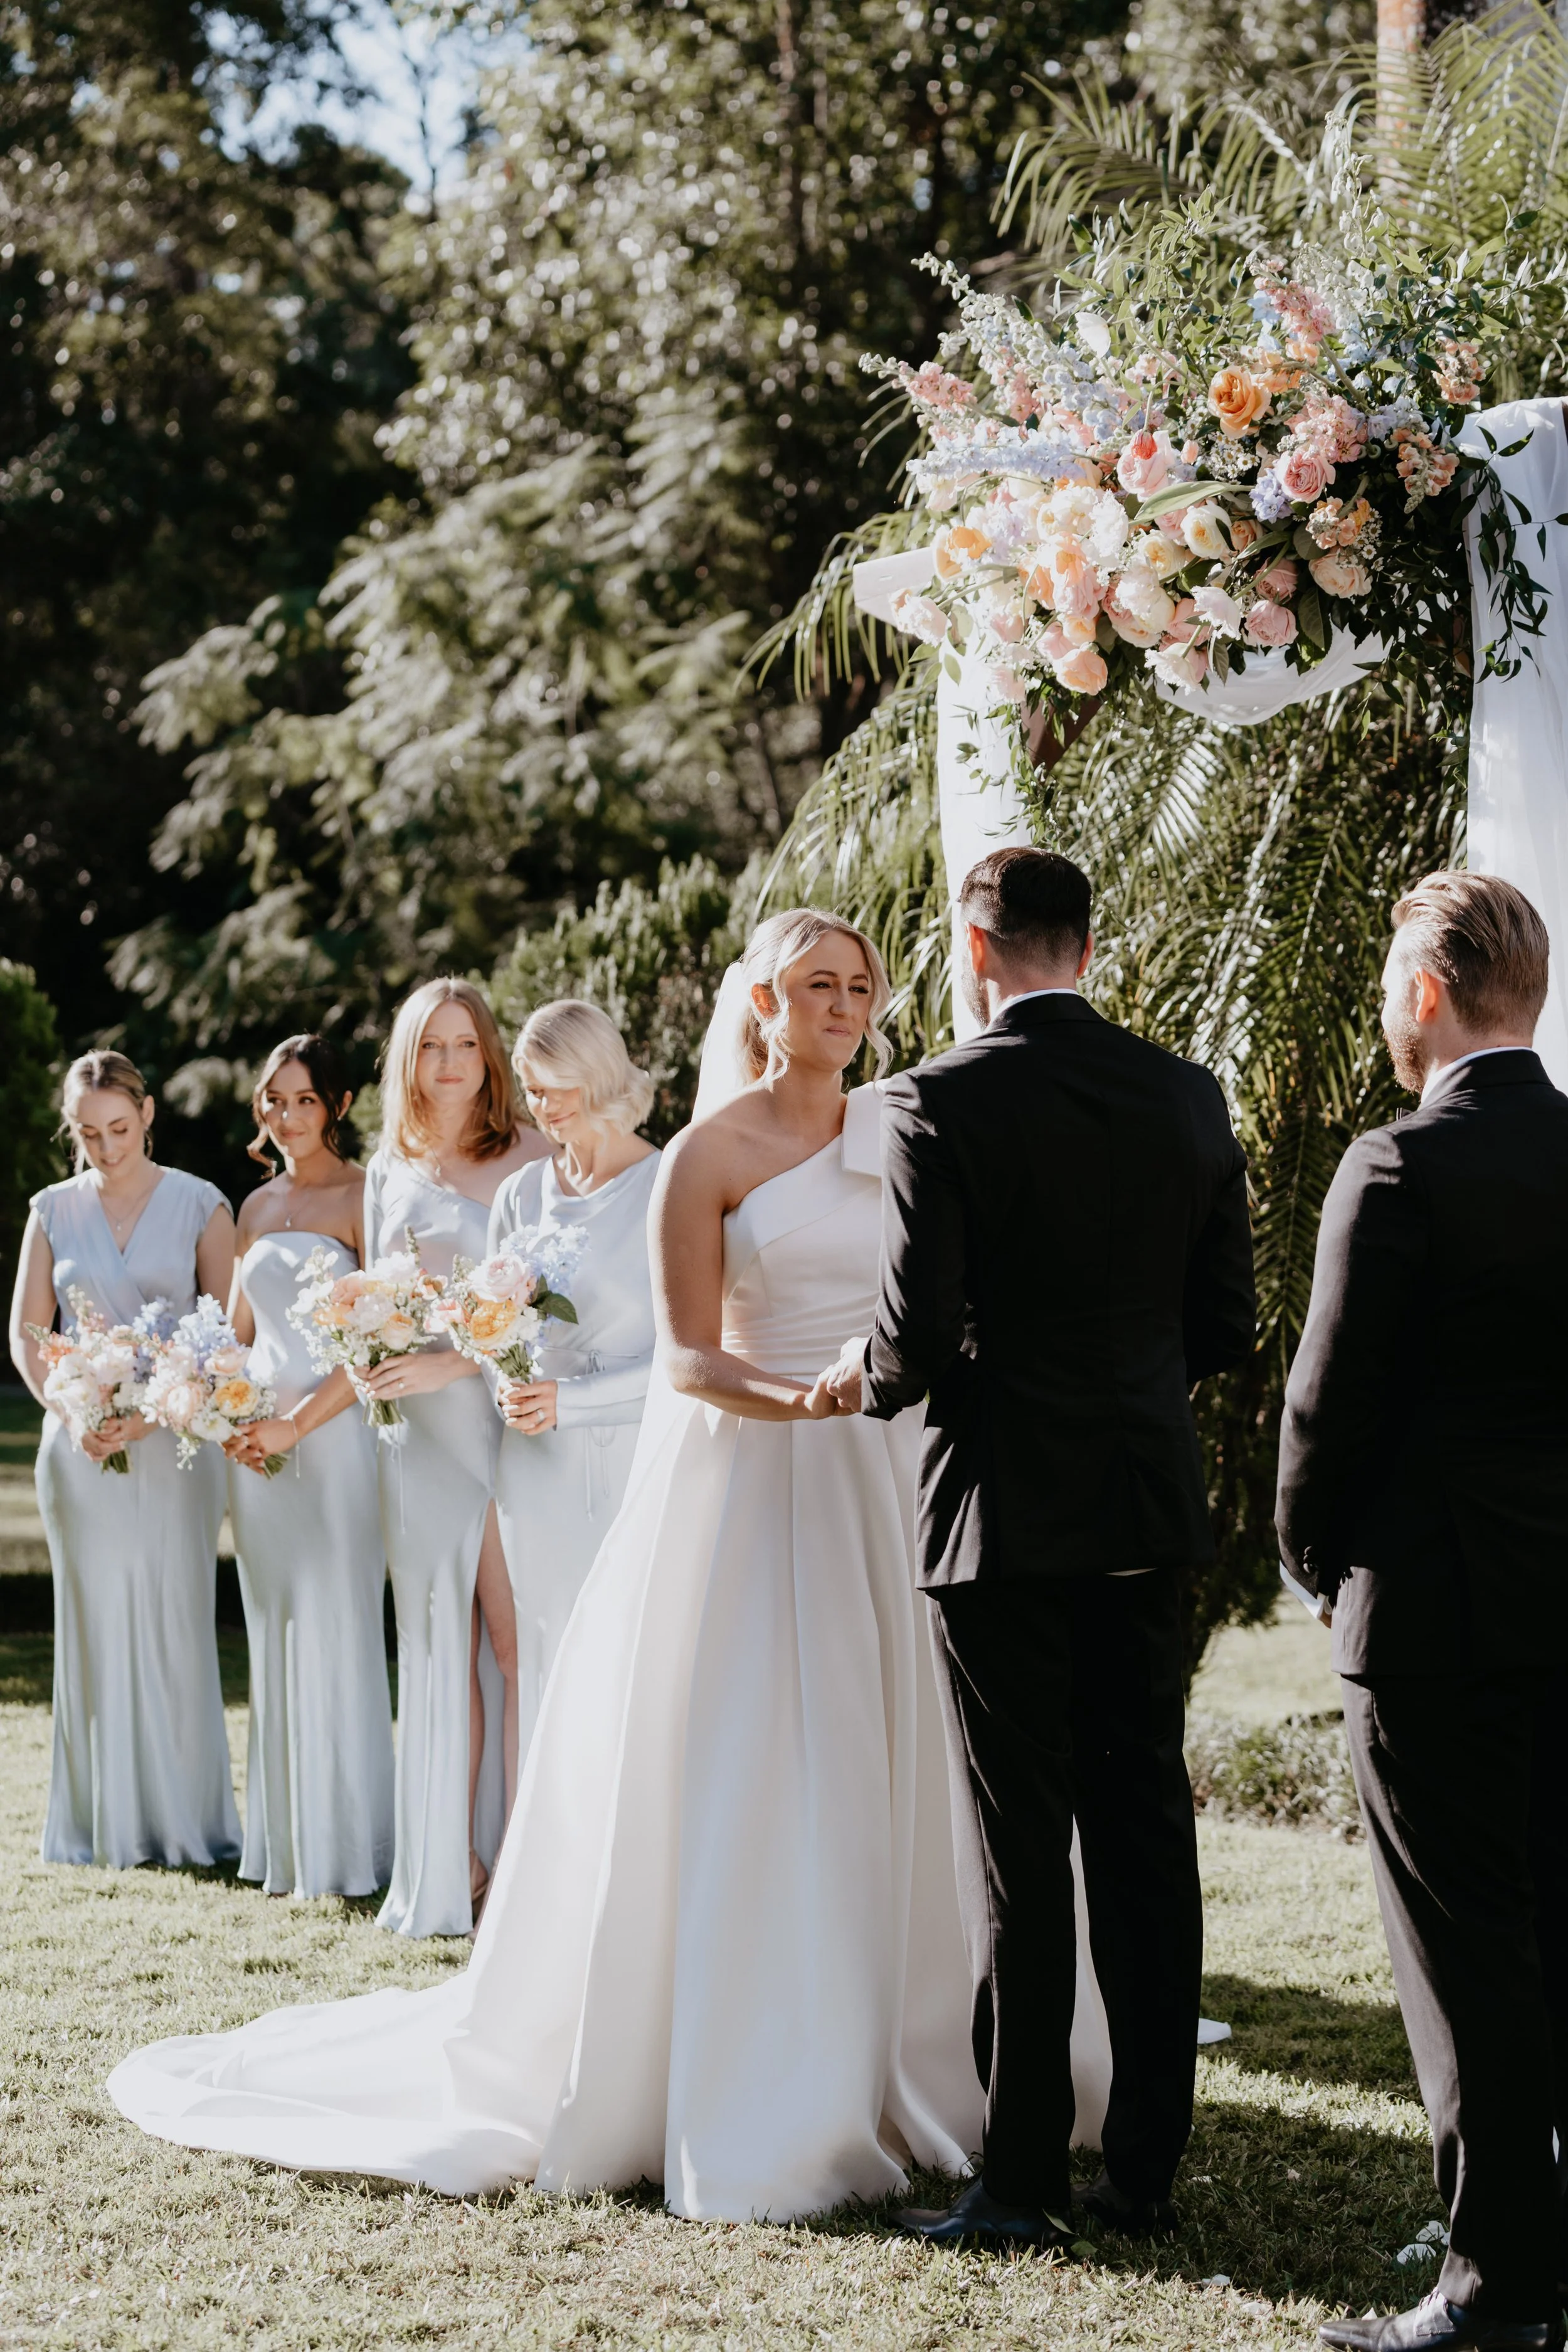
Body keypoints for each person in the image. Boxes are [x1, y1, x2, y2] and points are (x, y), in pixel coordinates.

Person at [108, 908, 1095, 2217]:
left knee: (902, 1741)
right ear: (763, 1004)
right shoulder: (706, 1155)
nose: (844, 1003)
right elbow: (687, 1354)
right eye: (815, 983)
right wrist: (804, 1400)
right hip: (757, 1464)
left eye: (858, 983)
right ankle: (766, 2056)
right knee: (756, 1750)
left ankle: (927, 2040)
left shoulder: (901, 1123)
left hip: (887, 1472)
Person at [825, 845, 1256, 2252]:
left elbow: (906, 1340)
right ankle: (1142, 2171)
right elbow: (1222, 1332)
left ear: (973, 948)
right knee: (1143, 1828)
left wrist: (876, 1369)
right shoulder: (1184, 1094)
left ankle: (1018, 2182)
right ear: (1084, 942)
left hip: (998, 1514)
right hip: (1138, 1502)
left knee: (1017, 1845)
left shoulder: (935, 1101)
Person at [1277, 872, 1568, 2352]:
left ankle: (1493, 2286)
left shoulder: (1398, 1165)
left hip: (1432, 1613)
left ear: (1428, 992)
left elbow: (1325, 1403)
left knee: (1463, 1957)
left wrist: (1309, 1553)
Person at [8, 1049, 241, 1871]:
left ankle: (186, 1820)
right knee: (98, 1618)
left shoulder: (202, 1205)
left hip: (174, 1445)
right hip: (78, 1447)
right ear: (70, 1130)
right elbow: (28, 1333)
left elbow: (225, 1334)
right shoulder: (51, 1210)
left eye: (119, 1127)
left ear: (147, 1115)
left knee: (176, 1615)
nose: (106, 1147)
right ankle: (98, 1822)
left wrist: (151, 1412)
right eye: (87, 1133)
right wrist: (71, 1408)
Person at [358, 978, 549, 1936]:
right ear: (407, 1058)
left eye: (464, 1044)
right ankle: (454, 1859)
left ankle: (524, 1854)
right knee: (439, 1644)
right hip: (418, 1438)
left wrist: (449, 1359)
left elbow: (552, 1308)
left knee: (514, 1644)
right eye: (429, 1045)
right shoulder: (388, 1166)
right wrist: (373, 1355)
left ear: (490, 1056)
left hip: (500, 1419)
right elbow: (370, 1295)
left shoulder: (533, 1151)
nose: (447, 1064)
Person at [223, 1036, 395, 1900]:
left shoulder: (369, 1196)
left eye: (302, 1100)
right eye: (273, 1101)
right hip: (261, 1454)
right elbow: (234, 1338)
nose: (286, 1116)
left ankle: (352, 1845)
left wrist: (296, 1422)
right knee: (278, 1625)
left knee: (339, 1618)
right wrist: (226, 1413)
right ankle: (285, 1843)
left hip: (332, 1441)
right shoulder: (252, 1209)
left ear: (338, 1105)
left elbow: (378, 1341)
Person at [490, 1001, 660, 1774]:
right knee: (542, 1656)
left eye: (558, 1088)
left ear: (599, 1076)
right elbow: (488, 1322)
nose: (545, 1109)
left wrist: (575, 1402)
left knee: (625, 1658)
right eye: (532, 1091)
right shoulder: (519, 1194)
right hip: (530, 1466)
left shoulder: (667, 1184)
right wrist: (506, 1378)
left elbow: (687, 1360)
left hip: (626, 1464)